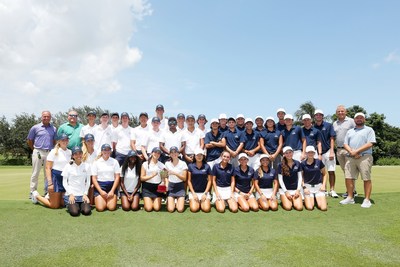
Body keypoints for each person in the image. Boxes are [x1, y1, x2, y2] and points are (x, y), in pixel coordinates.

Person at [340, 113, 376, 208]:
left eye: (361, 118)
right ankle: (350, 197)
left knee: (366, 178)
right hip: (351, 157)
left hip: (364, 157)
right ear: (354, 120)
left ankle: (367, 199)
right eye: (357, 118)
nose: (359, 119)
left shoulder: (369, 130)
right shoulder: (350, 131)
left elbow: (370, 143)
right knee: (348, 177)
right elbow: (345, 144)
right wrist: (352, 152)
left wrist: (356, 151)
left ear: (364, 119)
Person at [31, 133, 71, 209]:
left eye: (66, 140)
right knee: (55, 205)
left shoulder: (70, 152)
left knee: (63, 204)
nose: (65, 141)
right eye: (63, 140)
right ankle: (36, 195)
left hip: (65, 179)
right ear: (59, 141)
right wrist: (50, 184)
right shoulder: (53, 151)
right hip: (55, 178)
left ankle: (49, 196)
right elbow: (48, 168)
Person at [27, 110, 57, 197]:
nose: (46, 118)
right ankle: (32, 191)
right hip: (38, 151)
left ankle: (47, 192)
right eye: (44, 116)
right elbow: (29, 140)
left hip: (49, 152)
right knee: (35, 172)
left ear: (50, 118)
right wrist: (34, 149)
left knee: (47, 173)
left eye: (48, 116)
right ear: (41, 117)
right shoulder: (35, 127)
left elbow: (54, 141)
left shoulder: (54, 128)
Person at [333, 105, 357, 198]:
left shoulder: (351, 121)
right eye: (338, 111)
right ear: (336, 113)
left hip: (349, 149)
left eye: (342, 111)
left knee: (349, 171)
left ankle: (351, 191)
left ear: (346, 112)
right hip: (339, 150)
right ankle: (351, 190)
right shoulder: (335, 123)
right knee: (345, 170)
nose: (340, 113)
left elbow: (357, 132)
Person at [314, 109, 338, 198]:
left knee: (331, 171)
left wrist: (332, 151)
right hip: (318, 153)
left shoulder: (328, 125)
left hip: (328, 151)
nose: (318, 116)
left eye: (320, 115)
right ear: (315, 117)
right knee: (321, 172)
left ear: (322, 116)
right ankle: (324, 189)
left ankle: (332, 190)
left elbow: (332, 138)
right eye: (317, 115)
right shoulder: (313, 127)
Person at [61, 146, 92, 216]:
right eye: (76, 154)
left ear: (82, 154)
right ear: (73, 156)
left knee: (86, 211)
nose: (78, 155)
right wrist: (70, 194)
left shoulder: (87, 166)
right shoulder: (68, 166)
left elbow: (88, 182)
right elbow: (64, 182)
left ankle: (80, 205)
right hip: (72, 195)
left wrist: (85, 194)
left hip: (82, 195)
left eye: (80, 153)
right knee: (74, 212)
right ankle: (72, 205)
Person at [91, 144, 121, 212]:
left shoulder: (115, 161)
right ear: (101, 151)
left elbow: (117, 177)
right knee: (100, 208)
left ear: (110, 151)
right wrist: (101, 191)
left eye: (108, 150)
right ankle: (103, 200)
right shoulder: (96, 163)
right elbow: (94, 179)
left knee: (111, 208)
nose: (107, 152)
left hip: (111, 186)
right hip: (100, 186)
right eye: (105, 150)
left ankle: (108, 200)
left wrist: (112, 191)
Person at [140, 147, 167, 212]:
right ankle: (148, 201)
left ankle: (152, 200)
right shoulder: (145, 164)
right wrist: (152, 175)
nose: (157, 154)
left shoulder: (162, 165)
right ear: (152, 153)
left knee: (157, 208)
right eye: (155, 152)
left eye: (158, 153)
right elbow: (142, 178)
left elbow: (164, 178)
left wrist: (163, 184)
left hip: (157, 188)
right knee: (148, 209)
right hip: (147, 187)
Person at [301, 146, 327, 211]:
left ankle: (316, 198)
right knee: (310, 207)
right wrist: (304, 188)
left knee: (323, 208)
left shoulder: (319, 162)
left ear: (314, 153)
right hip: (308, 187)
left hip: (318, 187)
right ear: (306, 153)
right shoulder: (302, 164)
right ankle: (310, 199)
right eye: (308, 152)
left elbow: (325, 174)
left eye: (312, 152)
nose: (310, 154)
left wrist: (323, 185)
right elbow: (301, 177)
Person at [277, 146, 303, 211]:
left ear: (293, 153)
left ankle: (293, 200)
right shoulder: (280, 165)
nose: (289, 154)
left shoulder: (297, 163)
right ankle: (283, 198)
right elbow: (280, 180)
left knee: (299, 208)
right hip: (284, 190)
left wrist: (298, 190)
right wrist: (286, 192)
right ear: (284, 154)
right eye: (286, 153)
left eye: (290, 152)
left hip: (295, 189)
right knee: (288, 207)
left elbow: (300, 177)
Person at [187, 148, 212, 213]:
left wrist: (205, 193)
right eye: (197, 155)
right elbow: (189, 181)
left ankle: (202, 202)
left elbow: (209, 181)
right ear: (194, 156)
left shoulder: (207, 166)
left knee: (206, 209)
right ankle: (198, 203)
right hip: (194, 192)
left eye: (201, 155)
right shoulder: (190, 166)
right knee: (194, 209)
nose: (199, 157)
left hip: (204, 192)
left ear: (203, 156)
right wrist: (193, 194)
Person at [165, 146, 188, 213]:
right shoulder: (167, 163)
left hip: (180, 186)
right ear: (169, 154)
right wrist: (166, 184)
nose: (173, 154)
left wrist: (175, 173)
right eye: (171, 152)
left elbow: (184, 178)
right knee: (171, 209)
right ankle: (170, 200)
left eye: (175, 152)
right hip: (171, 186)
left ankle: (176, 200)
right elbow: (163, 175)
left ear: (178, 153)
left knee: (180, 210)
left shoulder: (183, 163)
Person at [82, 133, 97, 204]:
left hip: (94, 175)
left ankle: (90, 202)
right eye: (88, 141)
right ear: (85, 142)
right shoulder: (81, 152)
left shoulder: (97, 152)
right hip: (83, 175)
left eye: (92, 140)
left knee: (92, 186)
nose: (90, 142)